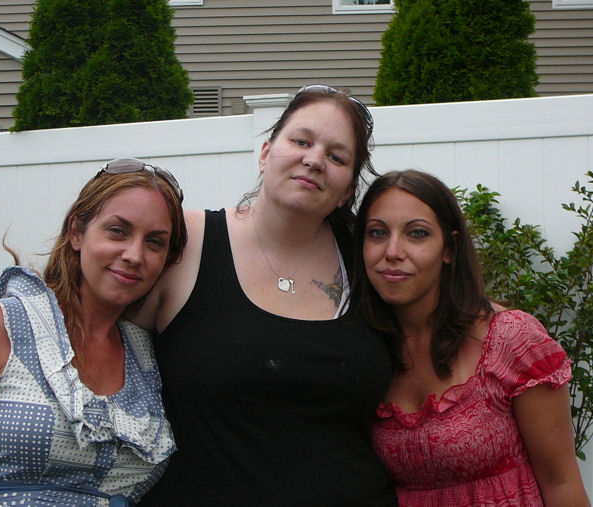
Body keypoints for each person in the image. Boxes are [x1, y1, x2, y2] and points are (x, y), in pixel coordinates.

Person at [134, 85, 397, 505]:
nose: (314, 160)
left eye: (336, 157)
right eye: (301, 141)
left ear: (348, 189)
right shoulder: (183, 242)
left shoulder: (369, 261)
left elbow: (443, 321)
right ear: (264, 153)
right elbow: (95, 332)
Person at [0, 158, 187, 506]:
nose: (134, 255)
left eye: (155, 242)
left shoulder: (148, 355)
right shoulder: (3, 326)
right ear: (76, 232)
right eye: (118, 231)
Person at [352, 169, 590, 506]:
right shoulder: (360, 348)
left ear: (449, 249)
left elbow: (562, 483)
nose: (392, 251)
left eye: (417, 234)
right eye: (377, 233)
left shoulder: (510, 339)